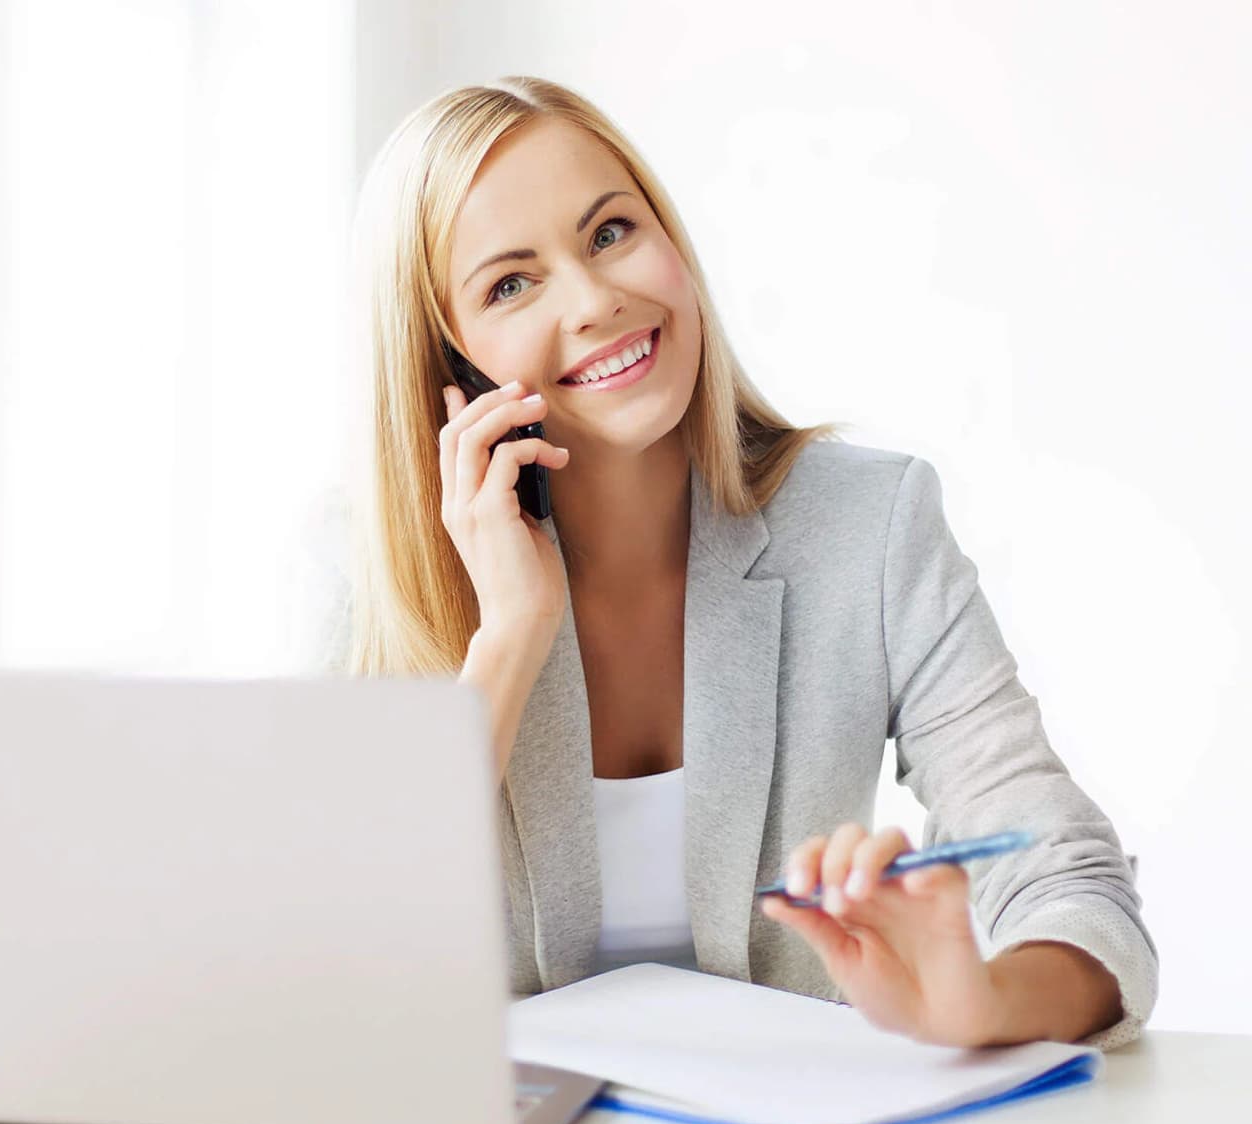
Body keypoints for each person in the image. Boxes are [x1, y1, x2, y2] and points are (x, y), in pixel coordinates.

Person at [305, 75, 1156, 1052]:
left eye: (611, 232)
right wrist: (508, 636)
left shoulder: (868, 525)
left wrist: (981, 1002)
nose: (596, 300)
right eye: (510, 282)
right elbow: (327, 964)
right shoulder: (354, 572)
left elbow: (1073, 881)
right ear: (445, 358)